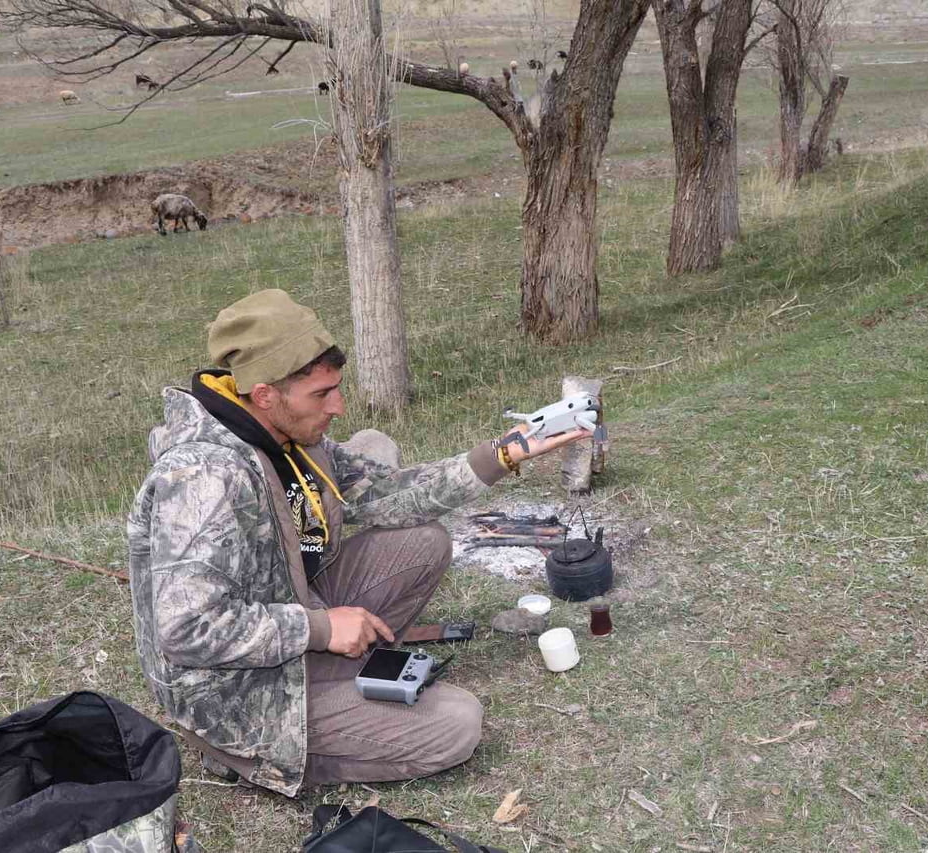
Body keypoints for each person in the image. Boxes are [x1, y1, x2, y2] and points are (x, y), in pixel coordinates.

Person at [127, 289, 588, 797]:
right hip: (233, 691)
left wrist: (504, 453)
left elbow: (385, 492)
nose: (338, 406)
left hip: (294, 611)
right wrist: (321, 628)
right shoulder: (205, 479)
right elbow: (187, 630)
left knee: (424, 542)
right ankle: (241, 752)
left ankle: (342, 675)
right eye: (322, 394)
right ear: (265, 394)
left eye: (336, 388)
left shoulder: (284, 436)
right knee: (458, 723)